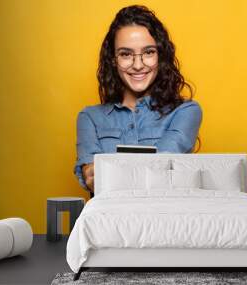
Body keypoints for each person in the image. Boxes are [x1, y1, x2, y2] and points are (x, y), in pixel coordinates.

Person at [74, 5, 202, 194]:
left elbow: (160, 169)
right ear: (113, 59)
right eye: (126, 54)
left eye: (149, 52)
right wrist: (93, 174)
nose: (138, 65)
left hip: (165, 218)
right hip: (109, 220)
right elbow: (92, 178)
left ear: (161, 55)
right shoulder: (89, 118)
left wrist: (109, 172)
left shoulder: (186, 111)